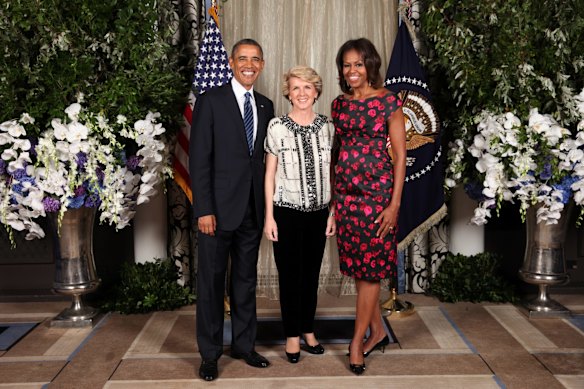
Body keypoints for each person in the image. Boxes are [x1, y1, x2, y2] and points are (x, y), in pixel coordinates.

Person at [190, 38, 275, 382]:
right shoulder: (211, 102)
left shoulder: (267, 106)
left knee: (245, 282)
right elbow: (199, 160)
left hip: (252, 210)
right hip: (217, 212)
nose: (249, 64)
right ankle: (210, 354)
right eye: (243, 58)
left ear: (262, 64)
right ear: (231, 61)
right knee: (211, 283)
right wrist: (204, 209)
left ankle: (244, 345)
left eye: (255, 59)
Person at [330, 38, 406, 376]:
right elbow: (336, 152)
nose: (352, 71)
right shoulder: (338, 105)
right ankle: (377, 331)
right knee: (361, 271)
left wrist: (394, 205)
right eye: (346, 65)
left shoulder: (389, 102)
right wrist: (333, 200)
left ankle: (356, 342)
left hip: (377, 199)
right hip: (346, 199)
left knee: (372, 270)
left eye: (358, 64)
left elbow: (401, 157)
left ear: (370, 65)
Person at [264, 66, 336, 364]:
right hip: (286, 213)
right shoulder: (276, 126)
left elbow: (334, 173)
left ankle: (308, 329)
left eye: (308, 88)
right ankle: (292, 335)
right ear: (288, 93)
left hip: (320, 213)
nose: (302, 93)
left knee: (310, 274)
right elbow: (269, 175)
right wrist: (269, 216)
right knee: (290, 276)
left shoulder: (329, 127)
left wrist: (332, 213)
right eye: (296, 88)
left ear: (316, 92)